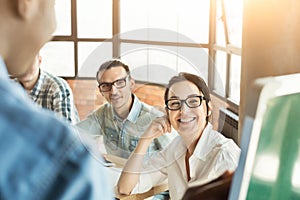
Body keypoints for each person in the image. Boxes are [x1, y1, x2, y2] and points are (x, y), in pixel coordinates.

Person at [0, 0, 112, 199]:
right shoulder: (68, 167)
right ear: (27, 3)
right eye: (52, 4)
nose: (53, 26)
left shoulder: (57, 88)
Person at [117, 72, 241, 200]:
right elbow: (126, 187)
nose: (184, 111)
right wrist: (145, 139)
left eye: (193, 101)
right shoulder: (175, 149)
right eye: (175, 103)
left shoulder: (225, 155)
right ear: (167, 113)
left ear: (208, 109)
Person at [76, 59, 175, 159]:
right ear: (101, 91)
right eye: (106, 86)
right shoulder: (102, 114)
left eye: (119, 82)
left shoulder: (155, 118)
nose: (113, 91)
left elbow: (176, 157)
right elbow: (72, 134)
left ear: (131, 84)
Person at [16, 53, 80, 124]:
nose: (25, 67)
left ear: (39, 61)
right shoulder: (7, 89)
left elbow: (64, 133)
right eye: (20, 62)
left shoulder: (57, 88)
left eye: (30, 61)